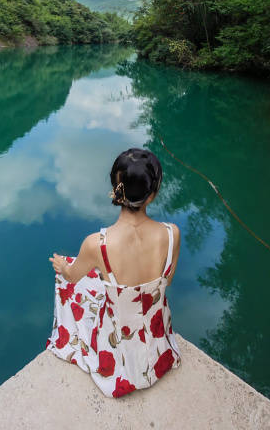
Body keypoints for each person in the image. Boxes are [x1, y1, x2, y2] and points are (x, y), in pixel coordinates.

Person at [46, 147, 181, 398]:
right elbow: (168, 281)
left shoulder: (97, 244)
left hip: (117, 346)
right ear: (153, 194)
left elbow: (72, 277)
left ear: (116, 191)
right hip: (156, 338)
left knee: (72, 278)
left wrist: (62, 267)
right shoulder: (172, 234)